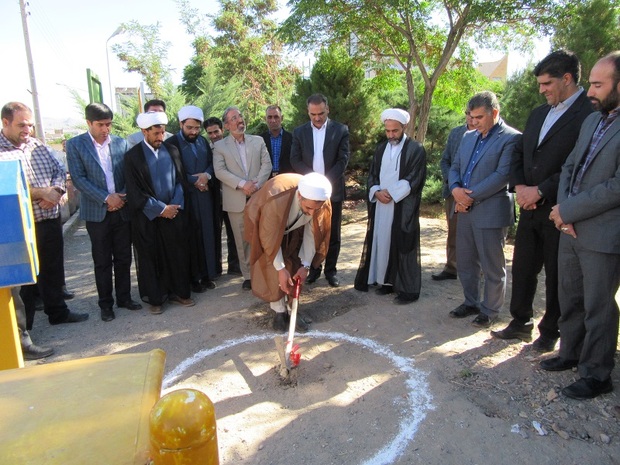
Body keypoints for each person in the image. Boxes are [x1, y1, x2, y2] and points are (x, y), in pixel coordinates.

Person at [491, 51, 594, 351]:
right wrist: (521, 187)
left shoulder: (590, 114)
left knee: (557, 274)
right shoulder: (538, 113)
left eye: (547, 83)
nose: (541, 90)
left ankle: (550, 332)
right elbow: (520, 151)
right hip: (529, 206)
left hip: (562, 210)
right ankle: (520, 322)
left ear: (567, 78)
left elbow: (581, 164)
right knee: (523, 267)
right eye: (539, 84)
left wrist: (541, 191)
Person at [541, 52, 620, 400]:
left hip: (602, 234)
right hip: (569, 228)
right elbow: (571, 166)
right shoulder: (593, 120)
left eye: (600, 84)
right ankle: (569, 353)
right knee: (569, 296)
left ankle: (597, 374)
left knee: (598, 306)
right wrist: (562, 211)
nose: (591, 90)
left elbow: (616, 186)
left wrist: (568, 210)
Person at [0, 101, 89, 328]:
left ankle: (58, 312)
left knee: (52, 270)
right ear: (5, 122)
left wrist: (57, 191)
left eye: (29, 125)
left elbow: (59, 171)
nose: (27, 130)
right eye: (21, 125)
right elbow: (6, 188)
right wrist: (41, 193)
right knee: (25, 282)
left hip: (49, 221)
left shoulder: (36, 145)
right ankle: (25, 332)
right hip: (19, 228)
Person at [447, 92, 521, 328]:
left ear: (495, 113)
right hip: (464, 207)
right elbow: (455, 166)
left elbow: (502, 175)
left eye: (479, 117)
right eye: (471, 116)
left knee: (492, 265)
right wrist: (455, 189)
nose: (474, 122)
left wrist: (468, 197)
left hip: (490, 210)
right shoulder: (468, 137)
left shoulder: (512, 138)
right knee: (466, 261)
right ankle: (471, 302)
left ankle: (490, 309)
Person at [66, 103, 142, 322]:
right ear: (89, 123)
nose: (105, 129)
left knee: (123, 257)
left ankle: (124, 298)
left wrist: (121, 197)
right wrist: (106, 198)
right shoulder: (76, 145)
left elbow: (130, 174)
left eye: (108, 124)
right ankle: (105, 304)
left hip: (122, 209)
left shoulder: (121, 143)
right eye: (100, 125)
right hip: (97, 212)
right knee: (102, 260)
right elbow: (79, 179)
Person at [124, 111, 194, 314]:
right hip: (149, 217)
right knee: (150, 256)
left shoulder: (171, 150)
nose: (160, 137)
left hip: (173, 213)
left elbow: (181, 181)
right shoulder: (133, 156)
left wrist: (173, 206)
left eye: (162, 132)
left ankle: (179, 293)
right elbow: (134, 191)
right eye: (156, 133)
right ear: (144, 131)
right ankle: (156, 298)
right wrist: (160, 209)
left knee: (176, 254)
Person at [354, 108, 427, 304]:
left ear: (404, 127)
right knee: (382, 240)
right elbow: (372, 174)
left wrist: (393, 194)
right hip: (381, 205)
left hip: (401, 206)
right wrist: (377, 191)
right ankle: (384, 281)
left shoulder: (416, 149)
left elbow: (415, 178)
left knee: (401, 241)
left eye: (394, 131)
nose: (391, 135)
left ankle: (402, 285)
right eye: (387, 131)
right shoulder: (380, 149)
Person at [245, 172, 332, 331]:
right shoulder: (276, 199)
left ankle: (294, 309)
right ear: (300, 196)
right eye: (308, 208)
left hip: (294, 226)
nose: (312, 213)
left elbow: (312, 235)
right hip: (264, 222)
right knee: (272, 264)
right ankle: (279, 310)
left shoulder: (320, 203)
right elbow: (269, 238)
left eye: (316, 209)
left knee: (294, 262)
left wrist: (305, 265)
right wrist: (280, 268)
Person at [290, 94, 350, 287]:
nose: (317, 118)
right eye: (313, 114)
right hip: (308, 192)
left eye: (321, 113)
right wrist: (312, 183)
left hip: (333, 191)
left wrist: (323, 182)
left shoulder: (340, 130)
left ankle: (331, 271)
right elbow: (295, 160)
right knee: (311, 231)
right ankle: (313, 269)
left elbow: (343, 160)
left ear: (328, 110)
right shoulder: (299, 132)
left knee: (333, 233)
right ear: (308, 112)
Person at [213, 106, 272, 290]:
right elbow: (219, 171)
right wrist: (241, 184)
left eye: (240, 116)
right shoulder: (219, 146)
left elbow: (267, 164)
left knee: (264, 235)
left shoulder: (258, 141)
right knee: (242, 239)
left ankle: (266, 271)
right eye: (234, 118)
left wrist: (255, 184)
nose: (240, 120)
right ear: (227, 125)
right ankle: (248, 275)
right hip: (236, 199)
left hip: (259, 195)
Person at [167, 106, 217, 292]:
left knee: (206, 235)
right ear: (181, 124)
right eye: (189, 128)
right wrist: (195, 180)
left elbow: (212, 164)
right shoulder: (171, 143)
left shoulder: (202, 141)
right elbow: (173, 171)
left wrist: (206, 175)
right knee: (190, 237)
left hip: (204, 197)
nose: (193, 132)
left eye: (197, 128)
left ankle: (206, 275)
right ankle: (193, 278)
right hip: (185, 197)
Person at [431, 111, 474, 281]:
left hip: (477, 193)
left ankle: (476, 270)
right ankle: (451, 268)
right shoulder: (456, 133)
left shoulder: (491, 134)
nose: (471, 118)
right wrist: (453, 184)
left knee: (476, 233)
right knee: (454, 231)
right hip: (453, 192)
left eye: (475, 114)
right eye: (468, 113)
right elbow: (445, 161)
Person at [204, 116, 240, 276]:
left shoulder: (231, 146)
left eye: (216, 132)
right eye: (209, 133)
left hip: (231, 195)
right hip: (213, 198)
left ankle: (235, 265)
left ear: (222, 130)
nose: (213, 136)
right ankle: (216, 268)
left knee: (234, 232)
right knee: (214, 232)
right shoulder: (205, 149)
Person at [261, 105, 293, 177]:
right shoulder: (260, 139)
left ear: (282, 118)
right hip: (266, 181)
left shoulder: (292, 138)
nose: (273, 120)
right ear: (265, 119)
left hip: (286, 179)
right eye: (269, 117)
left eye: (276, 117)